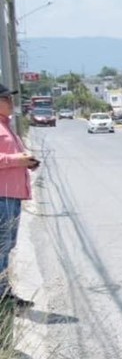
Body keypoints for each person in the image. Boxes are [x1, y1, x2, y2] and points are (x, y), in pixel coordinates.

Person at [0, 85, 40, 308]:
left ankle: (4, 292)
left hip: (11, 196)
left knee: (6, 246)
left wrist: (28, 162)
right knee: (2, 246)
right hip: (2, 195)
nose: (10, 101)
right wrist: (18, 160)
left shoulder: (6, 126)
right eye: (5, 98)